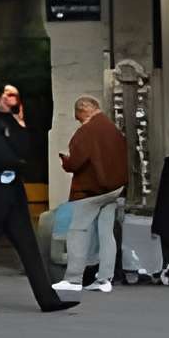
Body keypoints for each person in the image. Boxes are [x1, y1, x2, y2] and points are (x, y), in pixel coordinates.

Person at [0, 78, 75, 314]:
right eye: (9, 95)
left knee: (28, 245)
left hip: (12, 189)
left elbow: (24, 149)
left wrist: (20, 124)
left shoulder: (10, 120)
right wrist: (16, 160)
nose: (13, 101)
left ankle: (47, 299)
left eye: (16, 96)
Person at [58, 95, 133, 297]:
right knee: (106, 232)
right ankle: (105, 279)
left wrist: (65, 160)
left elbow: (75, 162)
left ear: (85, 110)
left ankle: (73, 279)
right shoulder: (113, 130)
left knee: (78, 230)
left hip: (92, 190)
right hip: (114, 189)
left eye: (78, 117)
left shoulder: (87, 131)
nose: (78, 121)